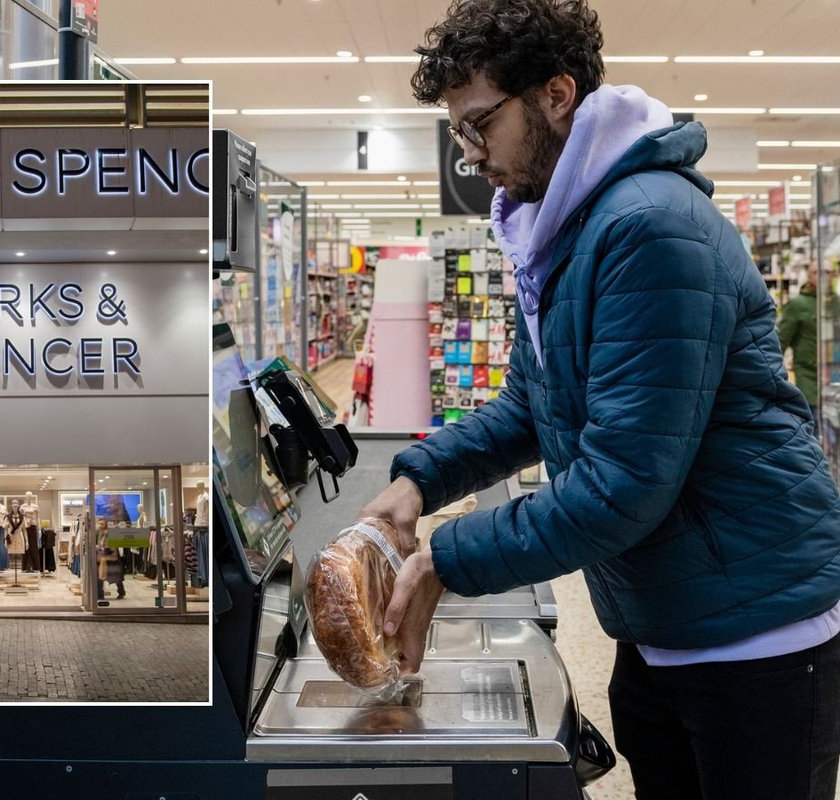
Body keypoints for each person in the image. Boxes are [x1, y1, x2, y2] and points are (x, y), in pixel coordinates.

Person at [357, 2, 840, 798]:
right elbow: (529, 406)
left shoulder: (649, 226)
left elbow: (623, 483)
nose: (469, 154)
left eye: (480, 124)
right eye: (458, 132)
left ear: (556, 94)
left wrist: (449, 557)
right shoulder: (564, 230)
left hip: (755, 632)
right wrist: (420, 478)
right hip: (664, 617)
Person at [779, 279, 819, 436]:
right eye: (816, 273)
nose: (825, 276)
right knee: (812, 429)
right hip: (807, 378)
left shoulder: (835, 302)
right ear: (810, 275)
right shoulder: (798, 304)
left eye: (830, 272)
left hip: (832, 378)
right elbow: (782, 339)